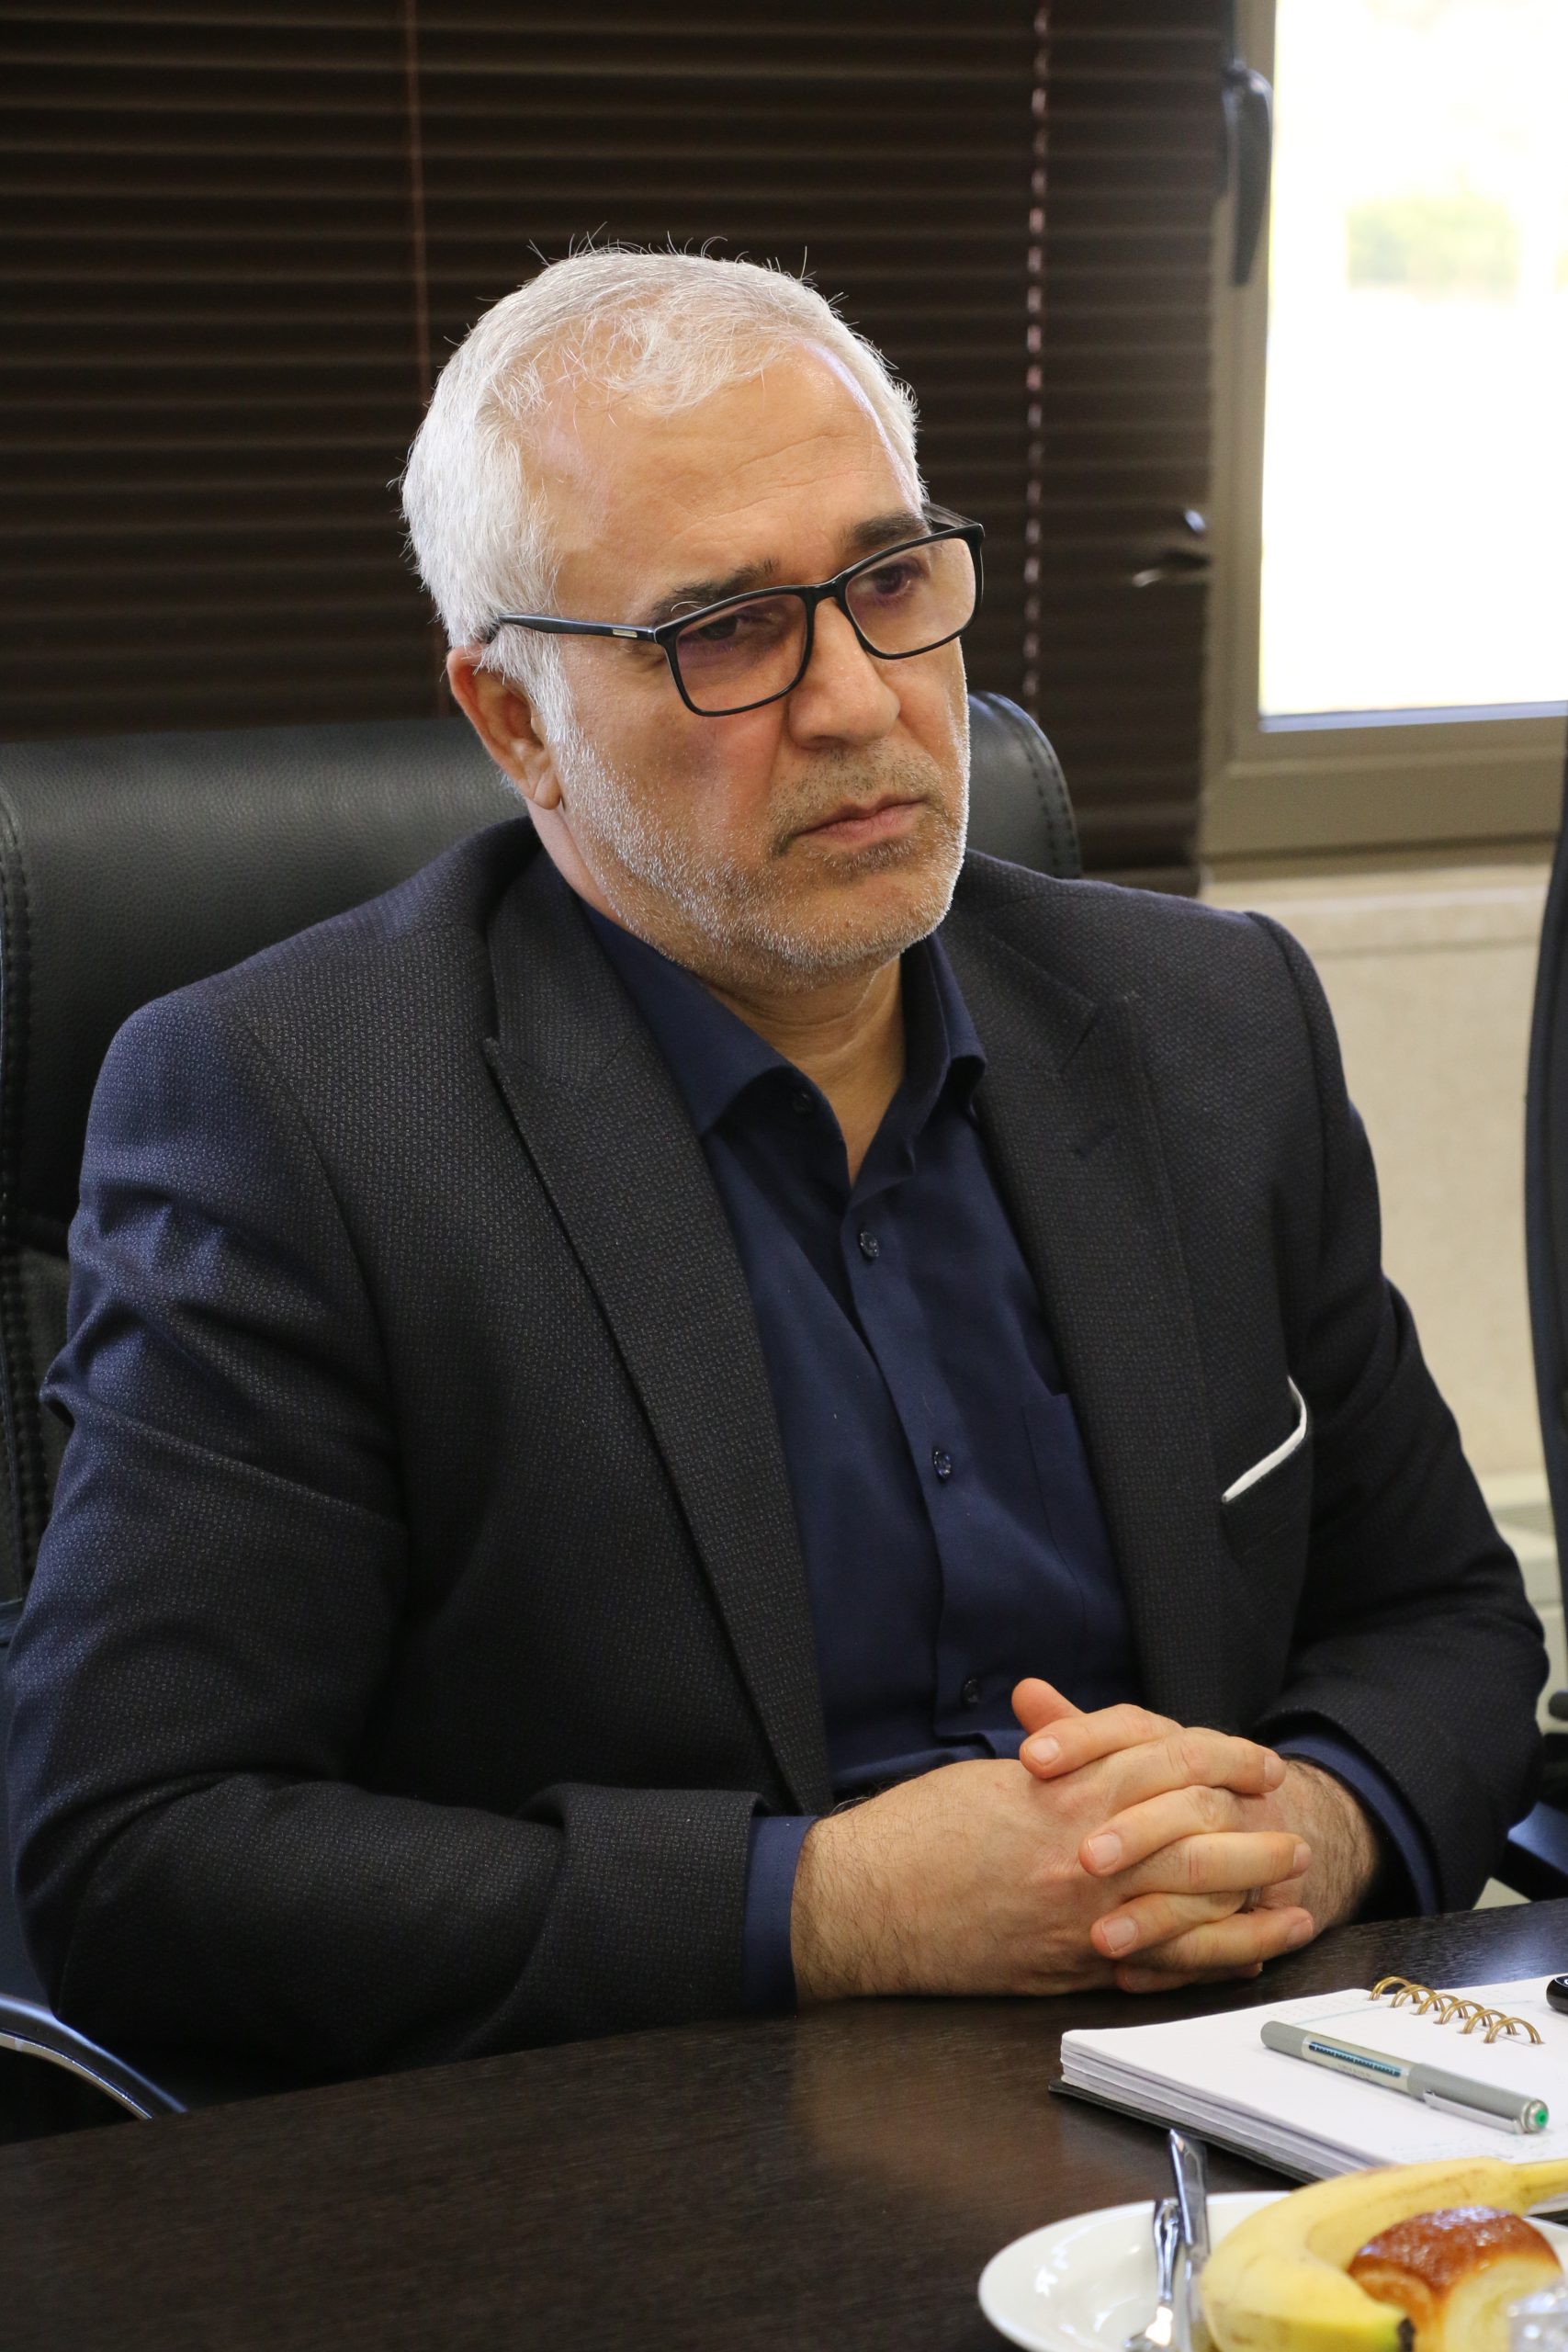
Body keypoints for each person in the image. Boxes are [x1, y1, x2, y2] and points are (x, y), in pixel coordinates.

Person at [7, 250, 1544, 2075]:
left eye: (888, 584)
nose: (857, 702)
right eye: (727, 629)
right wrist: (821, 1902)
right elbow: (136, 1853)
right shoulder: (296, 1115)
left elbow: (1443, 1615)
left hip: (1229, 2089)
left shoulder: (1209, 1022)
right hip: (660, 2142)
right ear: (516, 720)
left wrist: (1313, 1820)